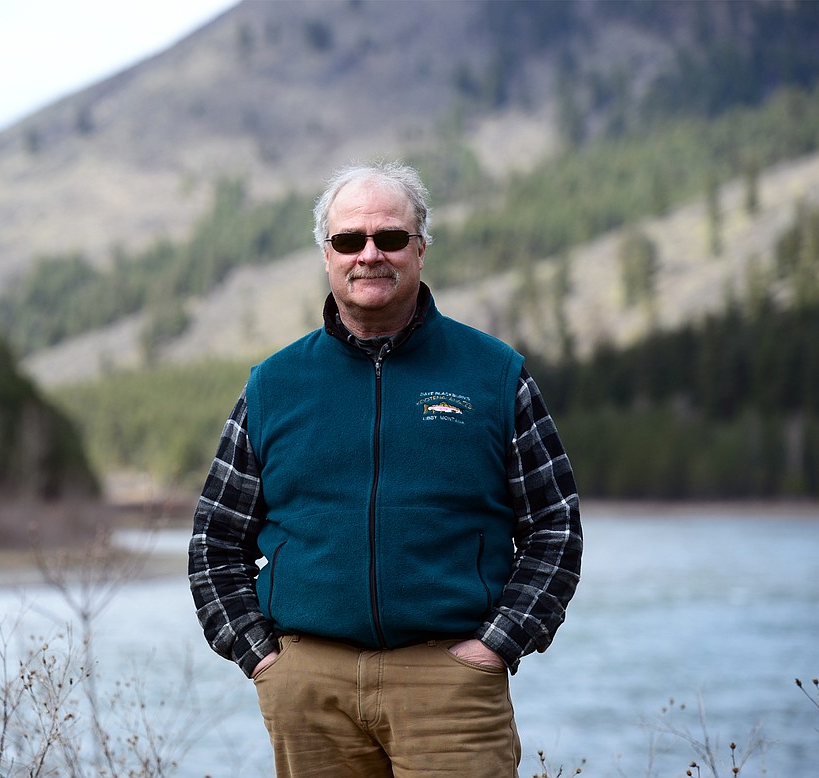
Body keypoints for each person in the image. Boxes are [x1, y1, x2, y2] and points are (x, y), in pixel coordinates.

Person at [188, 160, 582, 777]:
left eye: (390, 238)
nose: (369, 254)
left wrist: (496, 645)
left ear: (420, 249)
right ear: (328, 254)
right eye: (349, 240)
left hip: (450, 687)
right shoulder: (275, 385)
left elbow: (555, 525)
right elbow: (215, 539)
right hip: (308, 692)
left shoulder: (494, 373)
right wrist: (263, 657)